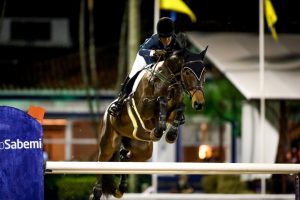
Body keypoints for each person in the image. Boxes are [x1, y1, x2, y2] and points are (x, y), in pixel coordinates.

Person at [108, 17, 184, 117]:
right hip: (145, 59)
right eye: (164, 38)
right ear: (159, 36)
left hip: (161, 64)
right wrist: (154, 52)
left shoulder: (175, 42)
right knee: (133, 74)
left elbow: (182, 55)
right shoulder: (154, 39)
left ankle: (177, 107)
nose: (167, 41)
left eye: (169, 37)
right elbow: (141, 51)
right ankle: (120, 101)